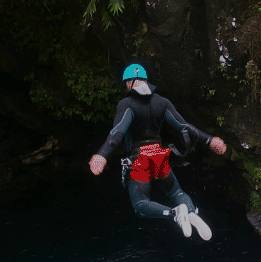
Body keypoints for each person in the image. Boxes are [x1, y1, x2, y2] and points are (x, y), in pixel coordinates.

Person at [89, 63, 227, 239]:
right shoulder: (162, 102)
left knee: (140, 204)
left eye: (126, 83)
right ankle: (190, 211)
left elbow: (117, 132)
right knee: (177, 192)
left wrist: (102, 154)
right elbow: (184, 127)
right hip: (159, 156)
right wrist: (209, 140)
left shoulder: (127, 104)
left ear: (130, 83)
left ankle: (174, 214)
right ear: (145, 80)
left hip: (140, 160)